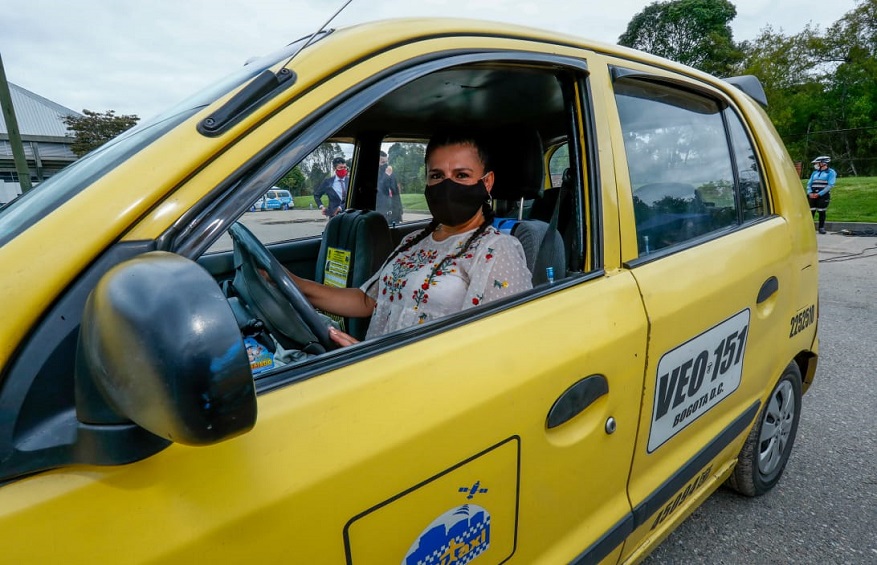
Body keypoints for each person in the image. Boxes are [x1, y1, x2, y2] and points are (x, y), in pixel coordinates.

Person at [292, 131, 533, 347]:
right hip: (371, 371)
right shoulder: (414, 240)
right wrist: (293, 284)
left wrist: (374, 360)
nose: (447, 185)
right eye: (437, 175)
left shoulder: (498, 249)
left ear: (487, 182)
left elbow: (497, 346)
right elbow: (367, 300)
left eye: (461, 175)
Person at [806, 155, 836, 234]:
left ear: (823, 163)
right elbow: (809, 184)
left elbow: (830, 185)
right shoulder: (815, 173)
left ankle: (821, 227)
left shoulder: (831, 172)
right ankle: (809, 228)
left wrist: (819, 194)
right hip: (812, 195)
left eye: (817, 163)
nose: (815, 165)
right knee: (811, 211)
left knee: (821, 211)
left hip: (823, 195)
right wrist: (809, 192)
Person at [376, 152, 403, 223]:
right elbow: (380, 191)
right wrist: (386, 176)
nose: (386, 165)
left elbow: (395, 193)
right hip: (381, 215)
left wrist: (399, 211)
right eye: (383, 162)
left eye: (386, 162)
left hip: (393, 214)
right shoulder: (378, 176)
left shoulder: (391, 174)